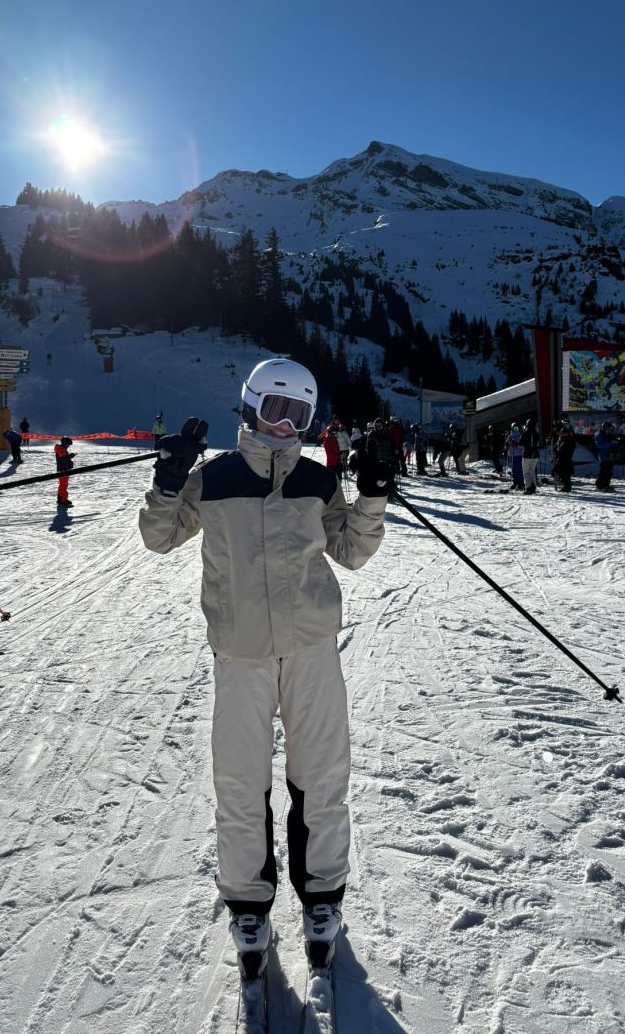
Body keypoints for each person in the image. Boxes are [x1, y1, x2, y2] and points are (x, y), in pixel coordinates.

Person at [139, 358, 392, 979]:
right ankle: (249, 903)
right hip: (241, 651)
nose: (285, 427)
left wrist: (373, 496)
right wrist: (169, 482)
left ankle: (322, 898)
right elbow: (159, 535)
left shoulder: (315, 480)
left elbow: (352, 551)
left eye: (298, 416)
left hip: (311, 648)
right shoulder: (215, 477)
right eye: (275, 411)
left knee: (322, 777)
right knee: (241, 780)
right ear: (249, 406)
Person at [594, 421, 618, 490]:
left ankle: (606, 485)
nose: (609, 430)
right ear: (604, 428)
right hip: (603, 456)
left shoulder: (609, 435)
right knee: (603, 472)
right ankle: (599, 485)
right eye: (608, 429)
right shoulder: (599, 435)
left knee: (609, 472)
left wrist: (615, 443)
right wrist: (611, 442)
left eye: (610, 429)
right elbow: (599, 445)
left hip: (610, 456)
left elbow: (610, 444)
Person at [521, 417, 541, 494]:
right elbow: (539, 444)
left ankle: (528, 488)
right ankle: (533, 487)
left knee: (526, 472)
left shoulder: (526, 433)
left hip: (527, 454)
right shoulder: (536, 433)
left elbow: (521, 443)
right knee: (532, 471)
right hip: (535, 454)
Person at [55, 436, 75, 507]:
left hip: (64, 469)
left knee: (63, 485)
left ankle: (61, 499)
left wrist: (70, 459)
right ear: (65, 443)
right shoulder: (60, 449)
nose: (68, 446)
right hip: (62, 470)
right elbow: (63, 458)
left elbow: (64, 458)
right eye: (68, 444)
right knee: (63, 485)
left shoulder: (62, 449)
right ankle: (62, 500)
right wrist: (70, 456)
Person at [506, 423, 524, 490]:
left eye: (516, 428)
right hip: (512, 454)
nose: (515, 429)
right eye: (514, 428)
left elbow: (522, 446)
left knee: (519, 469)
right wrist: (508, 444)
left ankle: (521, 483)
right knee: (513, 469)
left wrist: (516, 444)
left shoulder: (520, 435)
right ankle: (515, 482)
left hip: (518, 454)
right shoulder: (510, 436)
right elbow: (507, 443)